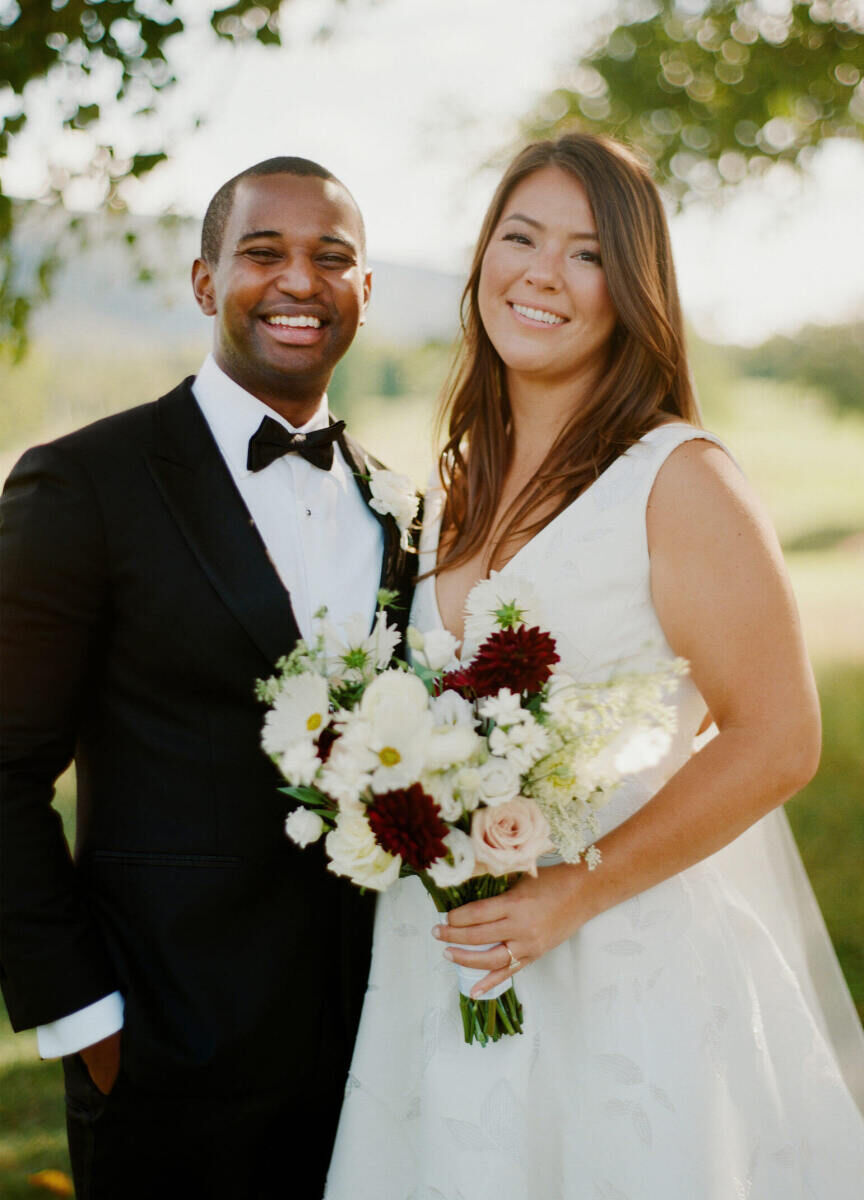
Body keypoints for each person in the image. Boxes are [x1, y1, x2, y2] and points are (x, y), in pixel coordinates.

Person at [325, 133, 864, 1198]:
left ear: (633, 288)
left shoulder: (679, 478)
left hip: (624, 974)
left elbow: (780, 736)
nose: (542, 273)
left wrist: (570, 894)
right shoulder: (455, 488)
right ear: (482, 257)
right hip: (446, 967)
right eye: (520, 237)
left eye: (587, 253)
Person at [0, 157, 417, 1199]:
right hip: (169, 1064)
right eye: (262, 253)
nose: (299, 282)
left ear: (366, 290)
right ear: (203, 282)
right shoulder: (84, 482)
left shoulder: (400, 505)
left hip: (387, 1052)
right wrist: (89, 1024)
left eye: (333, 258)